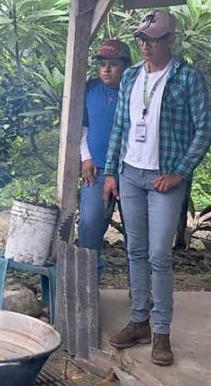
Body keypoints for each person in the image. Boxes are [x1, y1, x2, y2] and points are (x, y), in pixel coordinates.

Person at [103, 10, 211, 366]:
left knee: (159, 256)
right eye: (142, 39)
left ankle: (162, 332)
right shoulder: (131, 75)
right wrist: (110, 173)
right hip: (130, 174)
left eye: (153, 40)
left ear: (170, 40)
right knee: (135, 251)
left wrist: (180, 172)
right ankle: (139, 322)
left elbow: (205, 130)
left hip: (164, 177)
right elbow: (120, 126)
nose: (146, 46)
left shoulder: (187, 78)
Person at [78, 39, 131, 280]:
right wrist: (86, 158)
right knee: (89, 227)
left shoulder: (135, 92)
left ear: (126, 67)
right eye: (102, 64)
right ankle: (88, 286)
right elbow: (82, 126)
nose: (106, 70)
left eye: (113, 64)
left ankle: (139, 290)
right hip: (96, 171)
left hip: (130, 172)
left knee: (136, 233)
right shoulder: (90, 89)